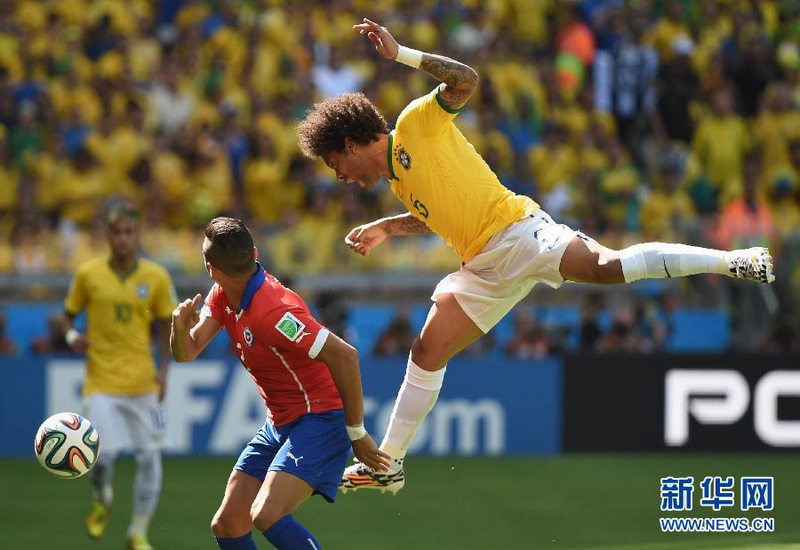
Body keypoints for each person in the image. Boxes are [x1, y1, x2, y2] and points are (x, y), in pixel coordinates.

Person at [296, 17, 776, 495]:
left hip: (518, 232)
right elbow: (438, 213)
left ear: (351, 144)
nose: (340, 177)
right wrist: (388, 227)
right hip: (481, 267)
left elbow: (467, 80)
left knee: (606, 267)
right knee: (426, 351)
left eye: (336, 164)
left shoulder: (414, 125)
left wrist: (402, 55)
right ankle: (390, 465)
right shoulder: (399, 181)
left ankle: (731, 261)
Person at [170, 217, 389, 550]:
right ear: (254, 253)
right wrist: (179, 329)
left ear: (210, 268)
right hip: (280, 423)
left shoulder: (274, 311)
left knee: (267, 514)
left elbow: (344, 355)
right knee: (228, 524)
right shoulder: (223, 295)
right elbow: (186, 352)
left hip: (320, 418)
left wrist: (356, 432)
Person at [63, 201, 177, 550]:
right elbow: (67, 315)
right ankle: (102, 495)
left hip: (143, 383)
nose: (123, 238)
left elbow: (166, 324)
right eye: (116, 232)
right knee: (102, 457)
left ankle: (137, 532)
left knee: (149, 457)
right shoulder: (88, 274)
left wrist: (163, 369)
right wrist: (71, 335)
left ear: (137, 234)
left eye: (129, 232)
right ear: (107, 235)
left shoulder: (156, 277)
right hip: (101, 382)